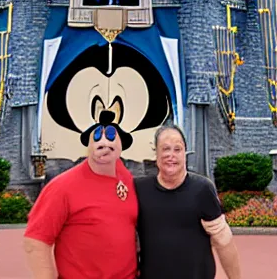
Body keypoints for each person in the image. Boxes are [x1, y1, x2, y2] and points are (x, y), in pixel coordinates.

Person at [23, 110, 138, 279]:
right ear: (89, 146)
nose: (104, 142)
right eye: (97, 137)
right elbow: (35, 241)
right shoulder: (62, 187)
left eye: (111, 136)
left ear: (121, 145)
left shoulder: (128, 180)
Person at [135, 125, 242, 279]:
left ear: (185, 153)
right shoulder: (140, 189)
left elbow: (223, 241)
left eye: (177, 149)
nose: (171, 155)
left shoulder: (203, 189)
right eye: (165, 149)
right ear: (156, 153)